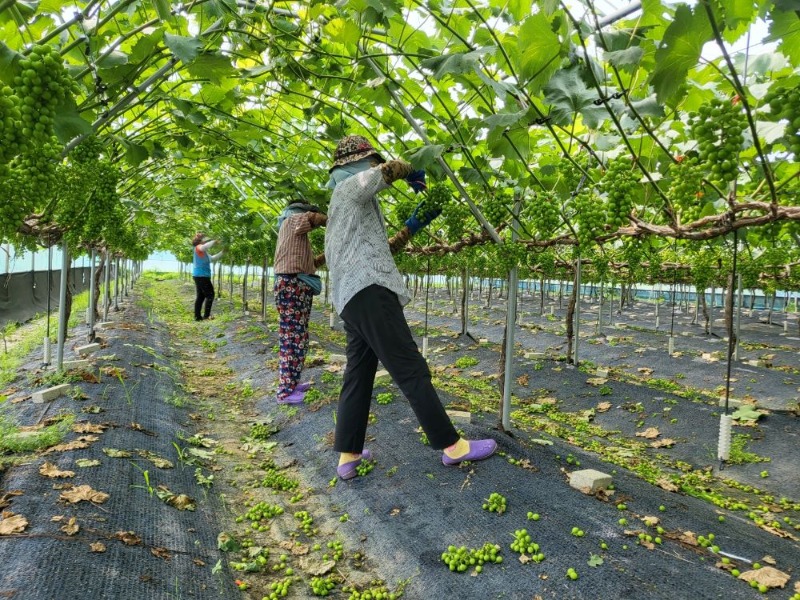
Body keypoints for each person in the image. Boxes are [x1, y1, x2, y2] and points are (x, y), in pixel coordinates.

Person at [324, 134, 497, 480]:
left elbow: (376, 248)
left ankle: (348, 455)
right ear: (359, 164)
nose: (373, 168)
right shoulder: (349, 189)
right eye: (370, 162)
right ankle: (453, 446)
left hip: (350, 298)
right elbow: (382, 174)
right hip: (371, 291)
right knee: (410, 368)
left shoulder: (341, 209)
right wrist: (408, 168)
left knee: (358, 374)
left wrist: (410, 228)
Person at [273, 201, 328, 404]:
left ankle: (292, 384)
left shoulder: (295, 239)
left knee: (298, 337)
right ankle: (285, 392)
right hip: (292, 285)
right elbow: (313, 218)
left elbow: (310, 264)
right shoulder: (292, 220)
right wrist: (333, 219)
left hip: (295, 285)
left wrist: (328, 255)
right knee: (292, 338)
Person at [191, 233, 224, 321]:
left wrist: (223, 252)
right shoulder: (198, 247)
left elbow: (212, 259)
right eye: (204, 240)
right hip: (202, 276)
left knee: (201, 296)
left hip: (200, 275)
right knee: (210, 295)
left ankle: (197, 317)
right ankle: (206, 316)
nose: (206, 241)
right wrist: (214, 241)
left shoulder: (203, 252)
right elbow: (204, 247)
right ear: (201, 241)